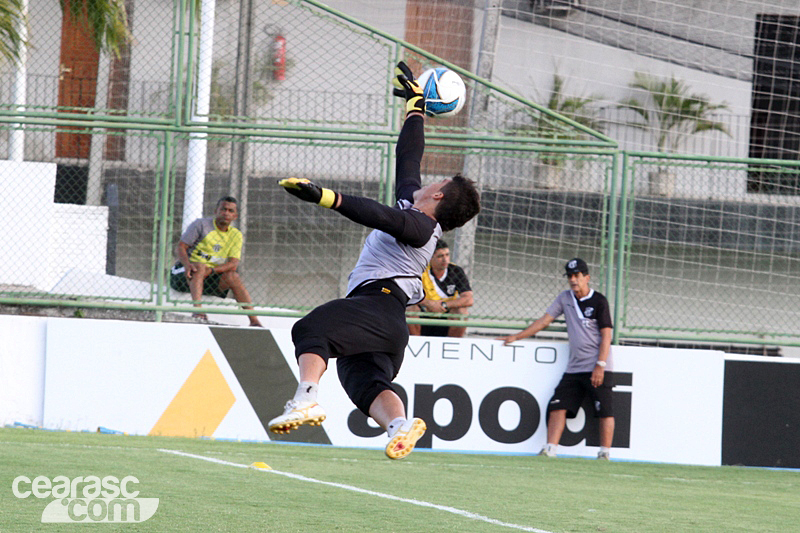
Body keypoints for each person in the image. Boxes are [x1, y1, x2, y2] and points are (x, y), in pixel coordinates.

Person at [267, 61, 481, 460]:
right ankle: (399, 426)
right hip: (390, 324)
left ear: (437, 196)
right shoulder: (415, 207)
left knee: (310, 329)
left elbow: (377, 214)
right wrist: (415, 108)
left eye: (439, 184)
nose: (431, 181)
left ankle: (305, 398)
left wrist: (324, 196)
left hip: (377, 304)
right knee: (362, 382)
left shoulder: (420, 228)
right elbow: (408, 156)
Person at [499, 258, 614, 460]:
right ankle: (550, 448)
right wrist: (517, 337)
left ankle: (605, 453)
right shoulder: (565, 298)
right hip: (575, 367)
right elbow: (545, 320)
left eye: (577, 276)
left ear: (587, 277)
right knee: (557, 405)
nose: (573, 280)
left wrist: (600, 364)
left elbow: (606, 335)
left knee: (604, 408)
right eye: (570, 276)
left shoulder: (599, 301)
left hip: (597, 365)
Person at [170, 196, 263, 327]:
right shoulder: (201, 225)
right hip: (186, 274)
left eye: (230, 211)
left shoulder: (235, 235)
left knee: (233, 276)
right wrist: (187, 265)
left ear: (235, 216)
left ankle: (254, 321)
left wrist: (212, 270)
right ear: (216, 211)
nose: (226, 213)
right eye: (223, 209)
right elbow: (181, 247)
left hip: (210, 278)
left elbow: (233, 263)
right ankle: (198, 311)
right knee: (200, 267)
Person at [407, 239, 473, 337]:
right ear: (430, 257)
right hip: (425, 312)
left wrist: (444, 304)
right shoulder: (421, 271)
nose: (445, 260)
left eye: (447, 255)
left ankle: (452, 344)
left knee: (462, 312)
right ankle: (417, 344)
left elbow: (468, 299)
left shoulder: (456, 271)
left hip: (446, 313)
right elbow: (408, 294)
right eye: (440, 256)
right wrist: (428, 303)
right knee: (411, 310)